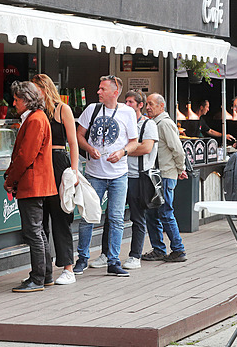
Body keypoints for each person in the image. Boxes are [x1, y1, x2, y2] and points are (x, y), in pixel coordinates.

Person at [75, 75, 138, 277]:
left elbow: (134, 141)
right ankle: (82, 258)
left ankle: (113, 260)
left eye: (102, 89)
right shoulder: (92, 109)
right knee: (88, 216)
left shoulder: (127, 112)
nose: (98, 92)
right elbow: (78, 135)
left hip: (119, 174)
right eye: (99, 88)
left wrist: (122, 152)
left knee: (116, 218)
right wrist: (88, 148)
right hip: (95, 173)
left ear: (115, 92)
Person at [5, 81, 57, 293]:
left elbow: (26, 156)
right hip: (35, 182)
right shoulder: (37, 118)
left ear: (27, 100)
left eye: (17, 99)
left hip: (32, 183)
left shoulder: (35, 119)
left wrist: (11, 179)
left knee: (34, 231)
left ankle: (38, 277)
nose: (14, 102)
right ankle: (44, 275)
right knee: (38, 231)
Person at [31, 74, 79, 286]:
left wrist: (75, 171)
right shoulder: (35, 111)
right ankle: (45, 270)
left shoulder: (62, 109)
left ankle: (68, 267)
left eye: (35, 89)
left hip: (58, 160)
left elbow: (73, 142)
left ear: (44, 88)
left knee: (61, 216)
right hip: (40, 162)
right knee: (40, 218)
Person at [142, 93, 188, 262]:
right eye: (147, 104)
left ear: (161, 106)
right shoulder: (154, 123)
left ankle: (178, 249)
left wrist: (180, 168)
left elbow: (178, 149)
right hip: (158, 175)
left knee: (165, 212)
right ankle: (159, 249)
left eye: (151, 104)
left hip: (166, 175)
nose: (148, 107)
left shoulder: (164, 124)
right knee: (152, 213)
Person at [120, 90, 158, 270]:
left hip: (139, 176)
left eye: (130, 102)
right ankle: (107, 254)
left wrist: (123, 151)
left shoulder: (147, 124)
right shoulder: (122, 123)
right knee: (114, 217)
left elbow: (146, 148)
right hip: (120, 175)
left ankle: (135, 255)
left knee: (138, 218)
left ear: (140, 105)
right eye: (125, 102)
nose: (127, 105)